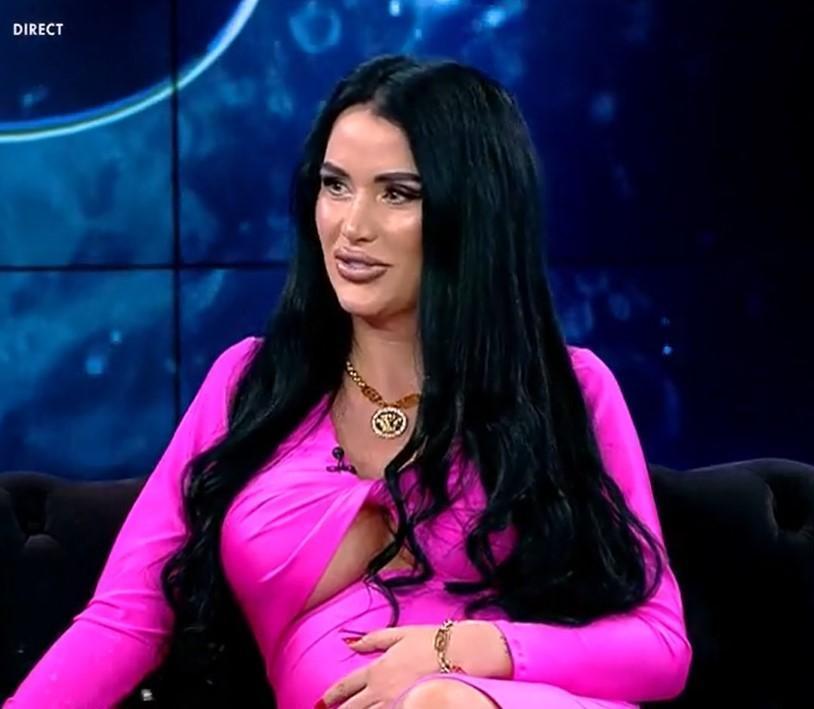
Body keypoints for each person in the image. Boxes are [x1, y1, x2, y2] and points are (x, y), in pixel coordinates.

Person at [5, 54, 692, 708]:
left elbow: (659, 647)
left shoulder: (569, 389)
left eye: (397, 193)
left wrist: (463, 650)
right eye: (335, 185)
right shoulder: (252, 385)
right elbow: (124, 620)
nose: (351, 227)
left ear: (472, 211)